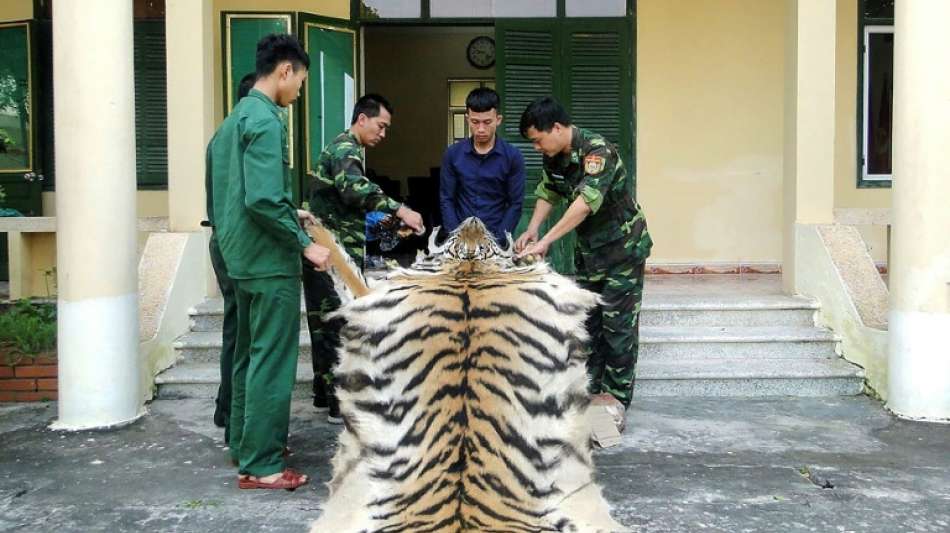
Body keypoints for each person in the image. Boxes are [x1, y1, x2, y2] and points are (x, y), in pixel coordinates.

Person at [209, 33, 329, 490]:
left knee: (246, 353)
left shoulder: (233, 119)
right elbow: (259, 197)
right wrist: (304, 243)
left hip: (238, 255)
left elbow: (238, 194)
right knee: (272, 360)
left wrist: (288, 207)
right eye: (299, 80)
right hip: (266, 259)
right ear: (284, 71)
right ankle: (263, 465)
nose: (299, 91)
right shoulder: (266, 119)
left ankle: (245, 442)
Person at [514, 96, 652, 427]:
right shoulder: (555, 155)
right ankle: (590, 400)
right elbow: (548, 191)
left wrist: (548, 240)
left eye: (537, 139)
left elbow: (584, 203)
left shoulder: (597, 152)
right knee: (589, 328)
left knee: (617, 330)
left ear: (557, 128)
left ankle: (614, 406)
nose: (536, 147)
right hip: (591, 255)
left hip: (622, 251)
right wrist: (533, 229)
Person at [305, 94, 423, 423]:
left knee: (325, 322)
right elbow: (354, 188)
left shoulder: (348, 148)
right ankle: (336, 404)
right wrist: (400, 208)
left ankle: (322, 393)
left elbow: (349, 200)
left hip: (331, 249)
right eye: (381, 126)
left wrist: (387, 220)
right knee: (335, 323)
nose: (383, 134)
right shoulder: (346, 148)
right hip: (329, 252)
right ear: (362, 119)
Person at [209, 72, 256, 441]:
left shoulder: (219, 136)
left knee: (234, 332)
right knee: (245, 336)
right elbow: (260, 199)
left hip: (222, 241)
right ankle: (238, 424)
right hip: (240, 244)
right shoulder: (247, 132)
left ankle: (228, 414)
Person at [440, 87, 525, 243]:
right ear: (467, 119)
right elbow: (447, 199)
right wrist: (455, 237)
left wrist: (497, 242)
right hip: (460, 238)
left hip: (497, 237)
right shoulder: (452, 155)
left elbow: (515, 204)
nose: (480, 129)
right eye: (475, 122)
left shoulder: (513, 157)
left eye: (487, 122)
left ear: (498, 120)